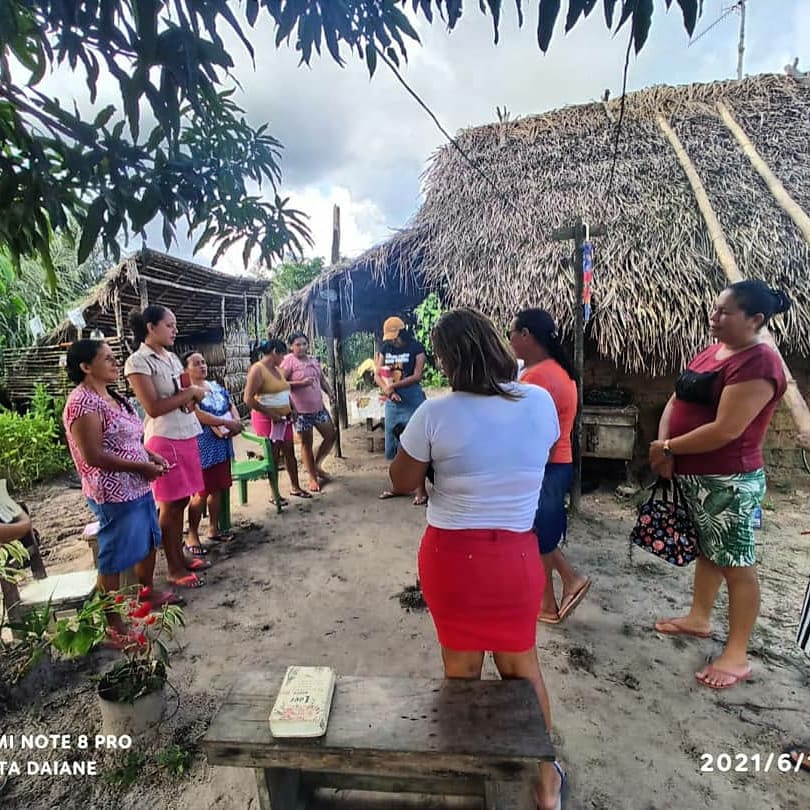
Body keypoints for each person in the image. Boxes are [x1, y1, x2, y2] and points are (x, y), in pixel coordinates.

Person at [390, 308, 566, 809]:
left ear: (447, 359)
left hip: (453, 559)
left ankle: (469, 780)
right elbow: (539, 452)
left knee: (461, 672)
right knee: (523, 666)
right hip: (515, 554)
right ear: (494, 343)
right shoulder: (539, 401)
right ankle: (546, 776)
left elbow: (402, 482)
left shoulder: (436, 413)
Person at [649, 280, 790, 689]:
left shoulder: (759, 363)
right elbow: (678, 398)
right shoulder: (716, 349)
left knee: (736, 564)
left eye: (724, 312)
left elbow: (727, 429)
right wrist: (664, 448)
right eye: (714, 310)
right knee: (709, 552)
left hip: (727, 478)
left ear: (756, 319)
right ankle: (699, 617)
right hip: (694, 473)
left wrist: (669, 447)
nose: (714, 318)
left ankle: (737, 653)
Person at [62, 339, 178, 612]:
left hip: (138, 484)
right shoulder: (82, 403)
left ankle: (146, 594)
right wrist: (142, 467)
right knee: (114, 555)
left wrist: (150, 456)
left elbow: (130, 440)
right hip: (113, 492)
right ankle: (113, 621)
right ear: (86, 366)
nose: (116, 362)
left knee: (149, 540)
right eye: (107, 358)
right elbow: (94, 457)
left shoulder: (113, 397)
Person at [510, 308, 591, 625]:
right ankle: (561, 590)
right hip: (557, 463)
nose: (511, 340)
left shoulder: (536, 377)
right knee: (537, 534)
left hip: (543, 465)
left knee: (537, 537)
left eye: (512, 333)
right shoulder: (558, 370)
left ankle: (555, 596)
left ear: (526, 335)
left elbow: (524, 429)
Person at [125, 306, 208, 589]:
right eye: (169, 325)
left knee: (183, 500)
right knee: (171, 506)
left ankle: (180, 555)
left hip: (185, 433)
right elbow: (153, 407)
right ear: (151, 327)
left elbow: (182, 395)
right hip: (164, 438)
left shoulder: (172, 358)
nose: (175, 330)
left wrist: (192, 397)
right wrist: (191, 393)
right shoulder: (138, 362)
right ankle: (173, 567)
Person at [182, 351, 242, 547]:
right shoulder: (188, 393)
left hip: (222, 443)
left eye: (203, 362)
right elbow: (198, 416)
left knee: (217, 489)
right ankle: (192, 534)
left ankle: (213, 529)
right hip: (202, 446)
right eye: (196, 363)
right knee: (201, 493)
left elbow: (230, 403)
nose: (202, 366)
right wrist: (225, 422)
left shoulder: (215, 386)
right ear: (186, 369)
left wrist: (236, 421)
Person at [245, 338, 311, 500]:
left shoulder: (278, 370)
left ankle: (295, 487)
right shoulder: (257, 370)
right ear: (275, 352)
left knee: (289, 451)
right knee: (273, 456)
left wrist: (293, 408)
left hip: (284, 418)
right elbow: (248, 399)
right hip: (267, 420)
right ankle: (275, 494)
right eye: (282, 355)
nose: (283, 359)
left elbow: (285, 392)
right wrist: (271, 414)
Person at [375, 316, 428, 506]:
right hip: (393, 401)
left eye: (394, 336)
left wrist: (394, 387)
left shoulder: (416, 347)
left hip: (412, 398)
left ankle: (420, 490)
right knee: (394, 443)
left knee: (415, 443)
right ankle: (398, 486)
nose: (392, 340)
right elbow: (378, 373)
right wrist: (388, 391)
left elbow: (417, 375)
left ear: (402, 332)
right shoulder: (385, 348)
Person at [280, 333, 336, 492]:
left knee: (331, 435)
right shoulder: (289, 361)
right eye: (298, 344)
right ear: (291, 346)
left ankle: (316, 464)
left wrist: (329, 392)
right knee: (306, 443)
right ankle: (312, 477)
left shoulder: (313, 360)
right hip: (301, 410)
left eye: (304, 343)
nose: (302, 347)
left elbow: (322, 379)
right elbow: (280, 383)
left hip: (318, 407)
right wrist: (300, 383)